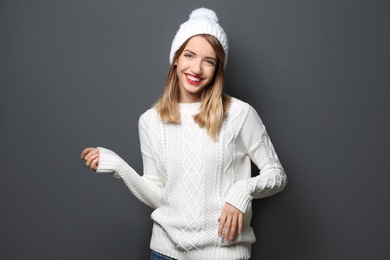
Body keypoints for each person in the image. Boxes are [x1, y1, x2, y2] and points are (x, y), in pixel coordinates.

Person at [81, 7, 287, 260]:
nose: (197, 68)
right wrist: (118, 167)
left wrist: (242, 191)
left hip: (223, 254)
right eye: (189, 55)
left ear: (217, 68)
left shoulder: (239, 114)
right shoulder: (150, 121)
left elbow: (277, 175)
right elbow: (159, 196)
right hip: (164, 253)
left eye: (209, 61)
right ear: (176, 58)